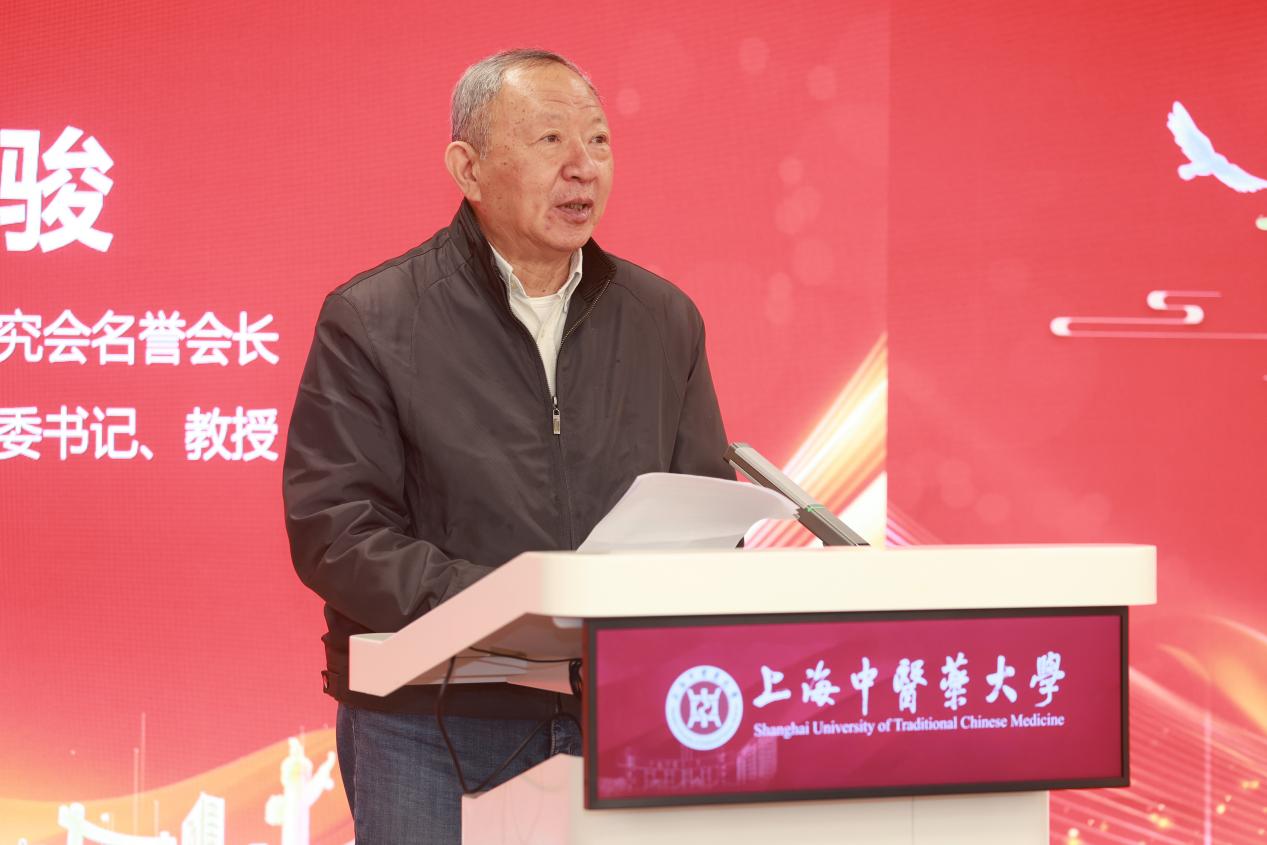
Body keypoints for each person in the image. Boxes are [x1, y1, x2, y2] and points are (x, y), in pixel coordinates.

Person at [282, 48, 732, 843]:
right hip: (434, 720)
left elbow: (703, 508)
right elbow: (336, 531)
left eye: (597, 140)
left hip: (625, 713)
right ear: (468, 168)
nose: (581, 166)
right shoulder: (375, 318)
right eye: (549, 139)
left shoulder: (663, 320)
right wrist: (510, 604)